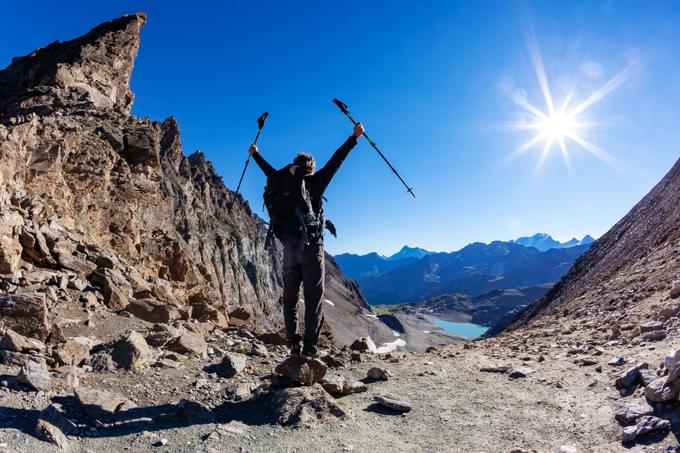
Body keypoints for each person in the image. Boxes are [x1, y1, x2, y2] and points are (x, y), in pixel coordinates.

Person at [249, 122, 364, 358]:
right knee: (314, 299)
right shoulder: (315, 182)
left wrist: (255, 155)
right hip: (312, 250)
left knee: (290, 299)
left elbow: (268, 171)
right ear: (311, 168)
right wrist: (354, 138)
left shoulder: (281, 180)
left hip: (288, 250)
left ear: (295, 166)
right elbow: (336, 161)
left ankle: (293, 345)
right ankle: (311, 347)